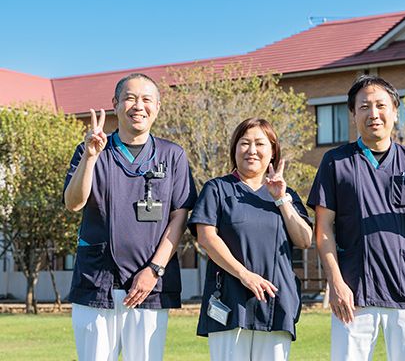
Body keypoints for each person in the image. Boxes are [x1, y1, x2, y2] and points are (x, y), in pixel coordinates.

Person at [307, 75, 405, 361]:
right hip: (353, 293)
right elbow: (323, 228)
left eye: (380, 105)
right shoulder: (335, 162)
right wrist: (336, 284)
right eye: (364, 107)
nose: (373, 113)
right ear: (353, 115)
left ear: (394, 112)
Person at [63, 73, 197, 361]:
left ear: (157, 107)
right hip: (97, 281)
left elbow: (180, 216)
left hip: (149, 286)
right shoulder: (92, 150)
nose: (139, 105)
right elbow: (74, 203)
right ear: (115, 104)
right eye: (130, 98)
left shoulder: (172, 155)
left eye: (147, 99)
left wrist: (154, 270)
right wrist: (89, 157)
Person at [188, 118, 313, 361]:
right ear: (234, 149)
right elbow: (206, 237)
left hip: (276, 302)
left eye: (260, 143)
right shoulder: (217, 189)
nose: (252, 150)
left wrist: (281, 199)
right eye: (244, 143)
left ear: (273, 151)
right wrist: (245, 275)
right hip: (229, 301)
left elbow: (305, 239)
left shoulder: (287, 194)